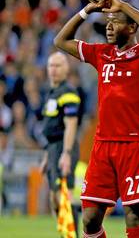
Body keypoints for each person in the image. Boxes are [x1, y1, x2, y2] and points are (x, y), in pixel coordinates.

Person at [54, 0, 139, 238]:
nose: (109, 25)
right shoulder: (101, 53)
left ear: (132, 26)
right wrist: (86, 11)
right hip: (103, 145)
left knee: (134, 215)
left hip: (135, 145)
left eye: (115, 21)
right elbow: (60, 40)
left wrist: (123, 6)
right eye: (107, 21)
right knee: (90, 219)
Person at [39, 52, 81, 236]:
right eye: (51, 66)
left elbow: (70, 125)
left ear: (66, 69)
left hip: (64, 147)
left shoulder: (69, 93)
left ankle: (73, 234)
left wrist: (66, 153)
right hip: (53, 148)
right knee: (54, 198)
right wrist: (47, 156)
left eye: (58, 66)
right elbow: (51, 129)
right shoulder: (51, 93)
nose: (53, 70)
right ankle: (65, 232)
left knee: (64, 194)